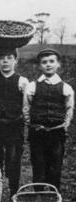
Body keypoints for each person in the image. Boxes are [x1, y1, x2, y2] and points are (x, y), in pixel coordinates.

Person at [23, 49, 74, 191]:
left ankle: (53, 196)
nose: (48, 65)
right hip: (37, 133)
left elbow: (69, 110)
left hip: (56, 134)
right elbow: (26, 109)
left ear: (58, 64)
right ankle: (38, 197)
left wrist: (64, 126)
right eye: (44, 62)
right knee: (38, 166)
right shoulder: (32, 86)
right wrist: (32, 124)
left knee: (55, 167)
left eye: (52, 61)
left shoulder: (66, 88)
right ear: (39, 66)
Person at [0, 48, 29, 197]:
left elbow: (26, 106)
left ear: (15, 61)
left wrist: (25, 123)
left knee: (13, 159)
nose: (5, 61)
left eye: (9, 58)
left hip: (14, 126)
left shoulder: (22, 81)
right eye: (2, 58)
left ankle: (13, 193)